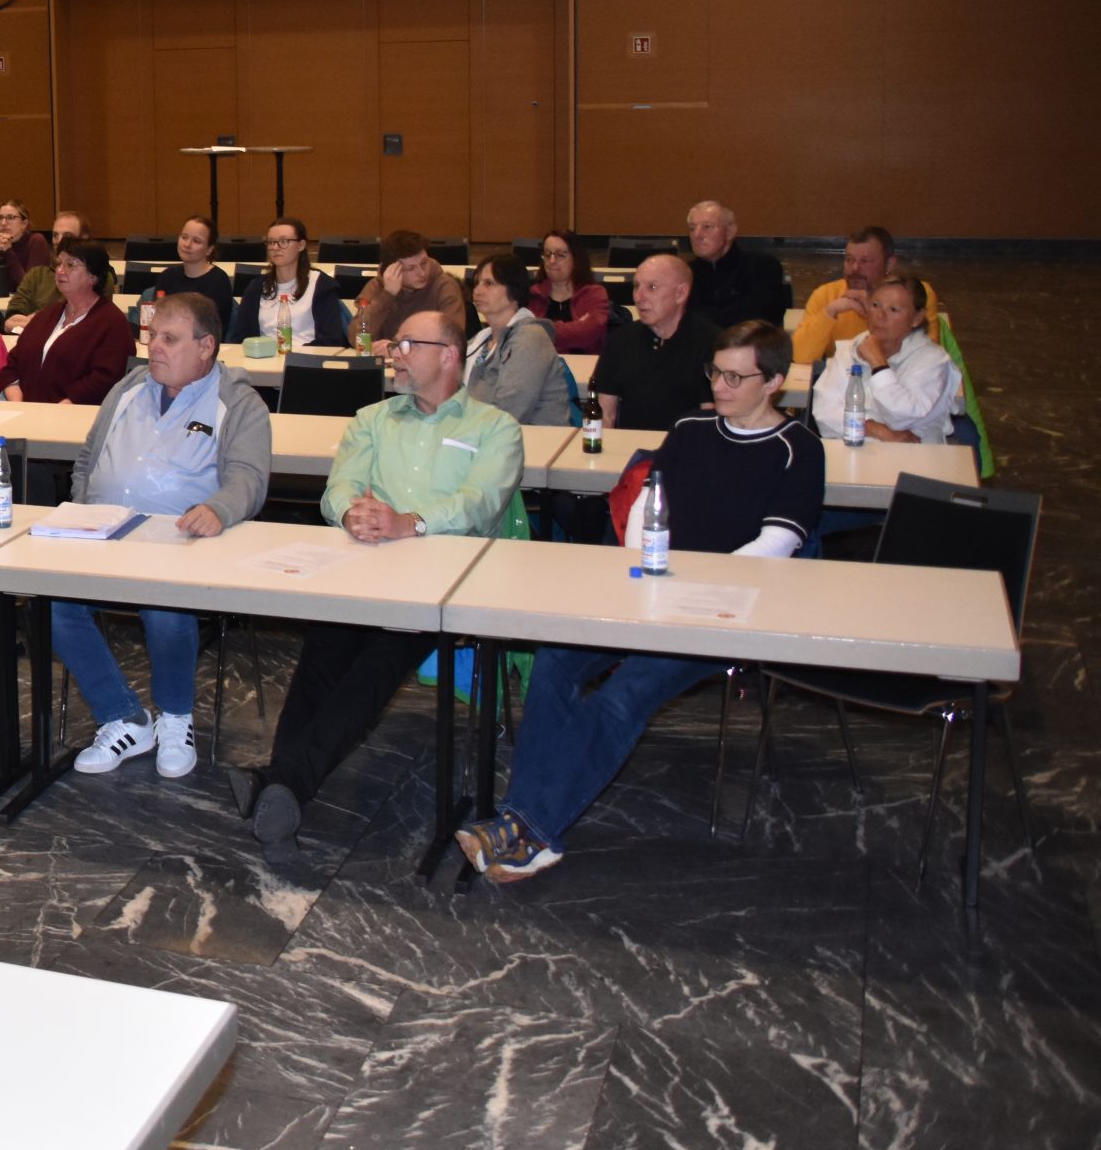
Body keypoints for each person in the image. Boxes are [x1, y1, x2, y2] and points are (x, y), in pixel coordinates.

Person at [456, 320, 822, 882]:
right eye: (715, 372)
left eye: (735, 377)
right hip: (655, 590)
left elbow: (778, 543)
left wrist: (691, 588)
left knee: (623, 694)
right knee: (555, 660)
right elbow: (649, 504)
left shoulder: (798, 448)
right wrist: (646, 569)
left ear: (773, 382)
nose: (719, 386)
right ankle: (527, 824)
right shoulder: (692, 428)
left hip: (726, 610)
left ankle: (529, 826)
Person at [241, 309, 523, 848]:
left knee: (379, 659)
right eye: (395, 345)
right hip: (367, 566)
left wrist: (408, 522)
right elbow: (339, 487)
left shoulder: (495, 428)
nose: (394, 354)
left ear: (449, 355)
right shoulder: (372, 418)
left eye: (408, 345)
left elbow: (480, 502)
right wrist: (352, 513)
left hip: (445, 578)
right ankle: (284, 784)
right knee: (326, 644)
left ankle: (282, 781)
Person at [54, 294, 273, 779]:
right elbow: (88, 458)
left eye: (170, 339)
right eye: (153, 336)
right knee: (52, 604)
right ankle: (124, 718)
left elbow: (249, 479)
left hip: (181, 545)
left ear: (206, 346)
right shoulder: (128, 389)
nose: (154, 347)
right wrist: (83, 506)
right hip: (104, 535)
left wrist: (218, 509)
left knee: (165, 607)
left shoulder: (239, 403)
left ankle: (175, 718)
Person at [810, 276, 956, 444]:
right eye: (875, 305)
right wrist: (876, 430)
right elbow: (824, 413)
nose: (880, 316)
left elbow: (902, 417)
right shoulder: (849, 351)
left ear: (916, 318)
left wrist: (878, 365)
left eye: (893, 309)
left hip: (915, 455)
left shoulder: (933, 361)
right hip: (855, 452)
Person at [591, 253, 719, 430]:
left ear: (681, 293)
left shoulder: (710, 342)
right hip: (629, 444)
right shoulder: (620, 340)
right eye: (636, 286)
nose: (639, 297)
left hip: (687, 443)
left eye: (652, 287)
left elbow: (710, 420)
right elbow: (604, 413)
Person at [0, 240, 132, 405]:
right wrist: (18, 403)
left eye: (70, 265)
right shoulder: (45, 316)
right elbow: (13, 365)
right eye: (58, 263)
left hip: (76, 414)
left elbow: (107, 378)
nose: (60, 271)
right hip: (27, 411)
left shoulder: (111, 323)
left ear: (93, 276)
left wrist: (66, 405)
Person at [793, 226, 943, 367]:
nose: (855, 268)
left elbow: (926, 359)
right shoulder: (826, 296)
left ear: (889, 264)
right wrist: (831, 311)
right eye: (849, 260)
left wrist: (874, 311)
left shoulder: (913, 294)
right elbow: (800, 357)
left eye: (865, 261)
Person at [463, 256, 573, 426]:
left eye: (489, 284)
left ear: (514, 292)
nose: (477, 291)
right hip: (486, 434)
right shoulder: (479, 341)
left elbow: (510, 410)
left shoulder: (530, 338)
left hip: (534, 439)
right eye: (477, 283)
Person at [231, 216, 349, 347]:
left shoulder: (322, 285)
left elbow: (331, 340)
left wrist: (295, 354)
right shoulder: (256, 287)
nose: (275, 247)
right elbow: (240, 338)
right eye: (271, 242)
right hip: (263, 356)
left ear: (301, 245)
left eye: (283, 241)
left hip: (306, 357)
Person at [684, 200, 790, 329]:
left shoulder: (762, 267)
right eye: (692, 228)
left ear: (730, 231)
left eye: (707, 226)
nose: (697, 235)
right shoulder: (685, 273)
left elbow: (760, 317)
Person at [351, 230, 465, 347]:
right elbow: (358, 340)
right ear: (392, 270)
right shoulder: (376, 287)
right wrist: (387, 295)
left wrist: (396, 349)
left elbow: (453, 340)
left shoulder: (444, 285)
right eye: (411, 268)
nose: (422, 273)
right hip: (384, 358)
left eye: (424, 263)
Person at [129, 215, 235, 339]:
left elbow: (213, 330)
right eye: (184, 237)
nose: (187, 244)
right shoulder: (167, 276)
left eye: (196, 241)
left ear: (209, 249)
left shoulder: (218, 281)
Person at [1, 211, 87, 333]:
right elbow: (10, 322)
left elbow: (85, 324)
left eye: (67, 236)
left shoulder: (93, 277)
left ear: (84, 239)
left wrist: (38, 319)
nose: (59, 241)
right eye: (55, 235)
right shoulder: (37, 275)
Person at [529, 229, 612, 355]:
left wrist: (545, 330)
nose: (551, 261)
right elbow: (525, 335)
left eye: (560, 254)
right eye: (547, 254)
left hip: (585, 365)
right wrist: (577, 326)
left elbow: (589, 334)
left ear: (576, 258)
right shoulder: (534, 294)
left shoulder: (594, 293)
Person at [0, 198, 50, 299]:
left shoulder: (36, 241)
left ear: (24, 224)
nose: (3, 223)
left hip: (28, 302)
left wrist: (8, 251)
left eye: (10, 217)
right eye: (0, 218)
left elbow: (29, 288)